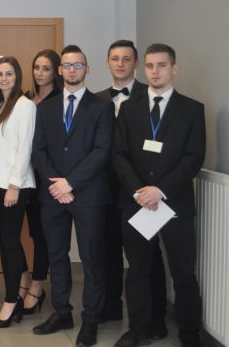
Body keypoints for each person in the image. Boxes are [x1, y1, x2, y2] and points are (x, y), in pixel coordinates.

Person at [113, 44, 205, 347]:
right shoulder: (129, 109)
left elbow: (193, 157)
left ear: (174, 68)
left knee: (183, 274)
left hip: (174, 203)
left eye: (161, 65)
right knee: (137, 271)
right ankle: (137, 330)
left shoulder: (192, 109)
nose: (154, 72)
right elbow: (119, 154)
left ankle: (190, 335)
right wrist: (140, 192)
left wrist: (160, 190)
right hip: (137, 203)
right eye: (150, 66)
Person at [31, 45, 114, 347]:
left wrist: (71, 183)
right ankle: (62, 312)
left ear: (87, 69)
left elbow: (102, 151)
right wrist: (57, 184)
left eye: (78, 65)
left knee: (92, 259)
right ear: (60, 70)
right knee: (56, 256)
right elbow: (38, 150)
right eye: (67, 65)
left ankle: (90, 320)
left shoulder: (102, 107)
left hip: (89, 196)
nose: (72, 70)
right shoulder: (45, 108)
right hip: (53, 196)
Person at [96, 40, 167, 333]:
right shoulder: (97, 99)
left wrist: (143, 187)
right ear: (107, 63)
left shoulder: (151, 96)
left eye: (127, 59)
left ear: (136, 64)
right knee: (108, 248)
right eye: (115, 58)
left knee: (148, 255)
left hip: (139, 189)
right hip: (104, 188)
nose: (120, 63)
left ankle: (156, 318)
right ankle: (111, 306)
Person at [0, 56, 36, 328]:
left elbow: (25, 147)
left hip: (14, 185)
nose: (3, 78)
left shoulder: (25, 106)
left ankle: (11, 301)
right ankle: (22, 285)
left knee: (10, 243)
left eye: (9, 73)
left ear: (17, 76)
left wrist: (14, 185)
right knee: (5, 241)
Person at [20, 49, 62, 315]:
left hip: (46, 177)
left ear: (56, 71)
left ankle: (37, 285)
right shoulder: (26, 99)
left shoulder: (60, 100)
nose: (40, 73)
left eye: (46, 68)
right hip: (23, 176)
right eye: (37, 67)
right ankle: (24, 279)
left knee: (40, 233)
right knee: (19, 231)